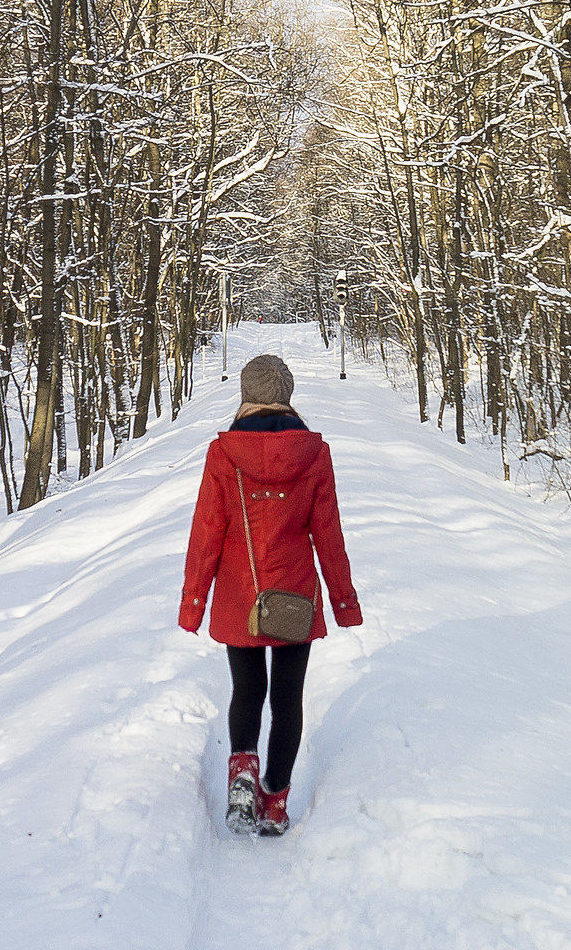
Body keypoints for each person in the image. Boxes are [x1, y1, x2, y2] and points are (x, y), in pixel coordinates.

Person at [178, 353, 360, 837]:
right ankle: (275, 802)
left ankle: (242, 777)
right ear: (289, 394)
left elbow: (207, 533)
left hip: (241, 594)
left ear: (245, 394)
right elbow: (329, 534)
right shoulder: (315, 454)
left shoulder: (224, 455)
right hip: (295, 596)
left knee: (247, 690)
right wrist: (343, 600)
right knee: (287, 699)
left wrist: (194, 602)